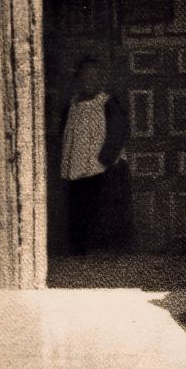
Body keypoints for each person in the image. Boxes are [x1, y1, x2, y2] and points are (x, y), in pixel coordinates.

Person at [60, 58, 129, 255]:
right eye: (85, 76)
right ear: (78, 79)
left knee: (103, 207)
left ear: (101, 80)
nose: (89, 80)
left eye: (93, 76)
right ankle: (80, 249)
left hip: (102, 167)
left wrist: (104, 160)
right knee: (79, 206)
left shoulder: (107, 103)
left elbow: (118, 133)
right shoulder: (72, 105)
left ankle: (105, 250)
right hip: (76, 166)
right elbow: (64, 132)